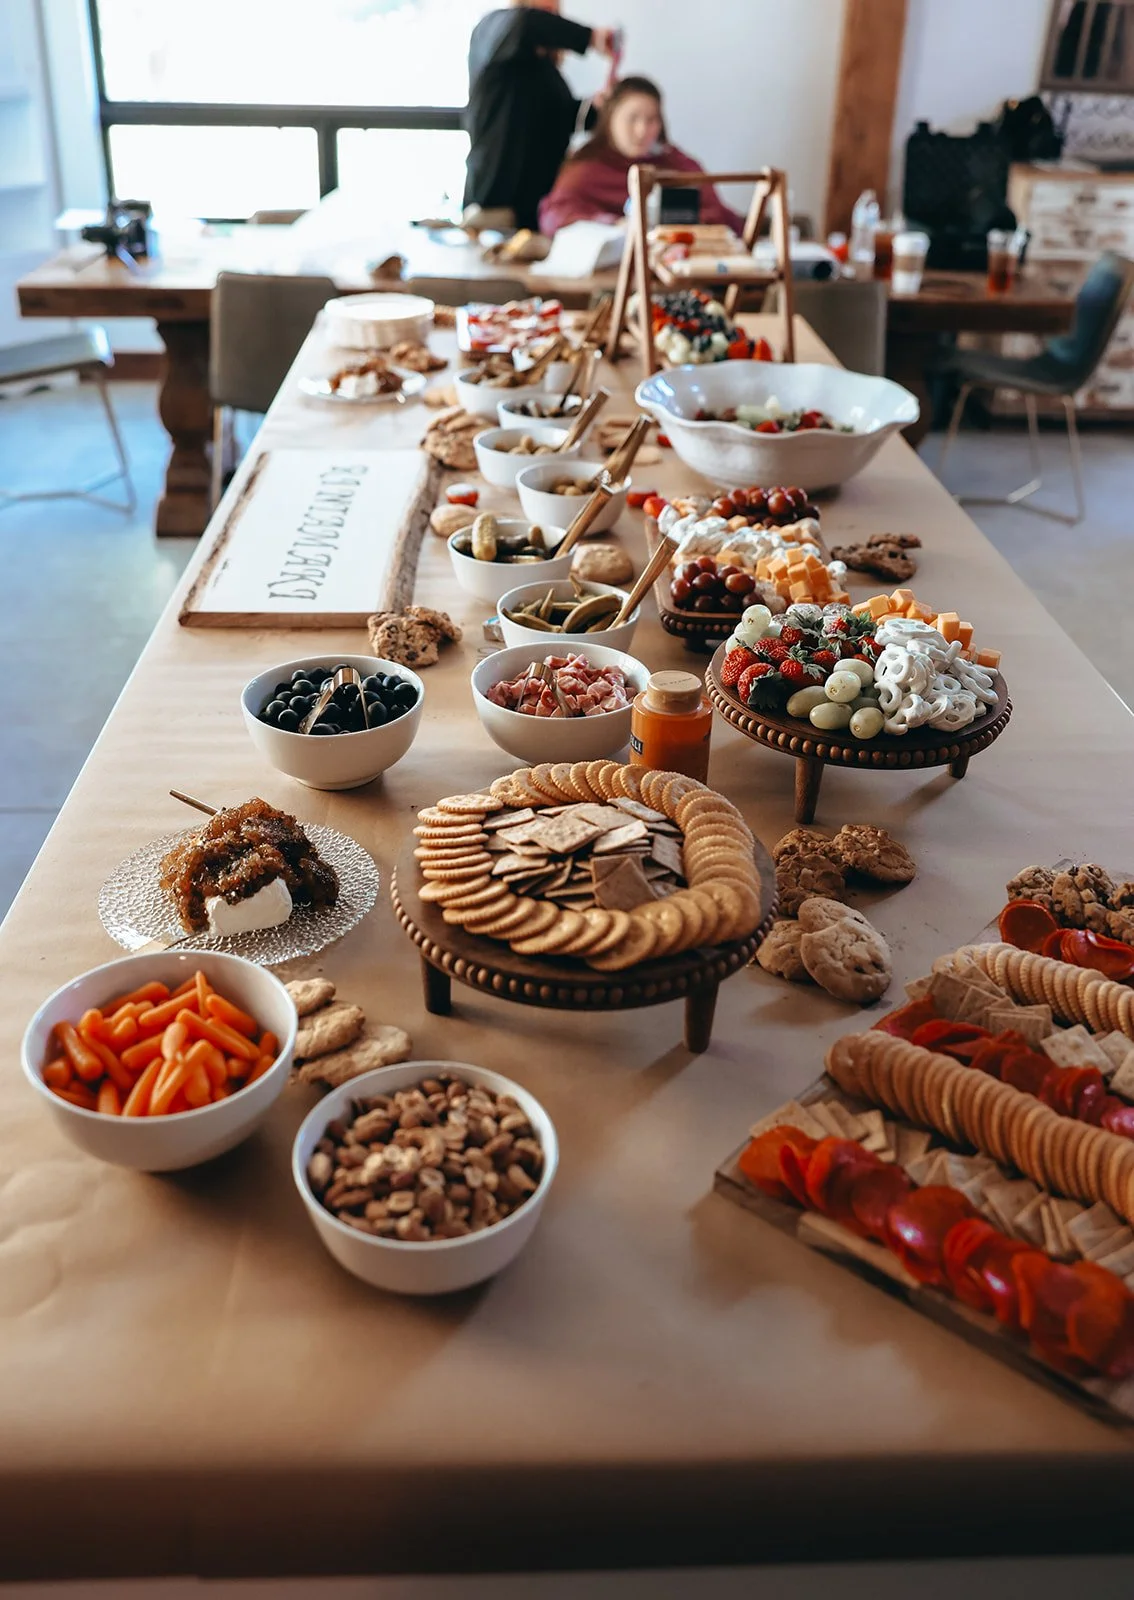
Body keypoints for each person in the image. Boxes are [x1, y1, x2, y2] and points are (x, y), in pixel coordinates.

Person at [463, 1, 618, 233]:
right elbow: (524, 23)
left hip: (535, 211)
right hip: (495, 207)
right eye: (544, 15)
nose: (551, 22)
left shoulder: (547, 75)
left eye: (554, 15)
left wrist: (597, 107)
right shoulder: (491, 32)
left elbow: (562, 120)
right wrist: (589, 37)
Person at [537, 76, 746, 237]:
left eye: (651, 120)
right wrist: (614, 225)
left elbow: (717, 216)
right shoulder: (586, 168)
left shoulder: (677, 165)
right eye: (632, 118)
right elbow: (554, 216)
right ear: (610, 119)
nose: (642, 130)